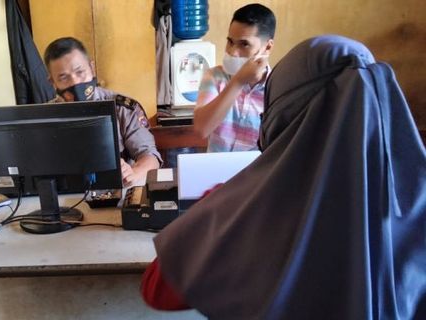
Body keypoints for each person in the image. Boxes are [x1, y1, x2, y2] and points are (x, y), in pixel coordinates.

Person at [141, 35, 426, 319]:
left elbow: (158, 288)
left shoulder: (251, 211)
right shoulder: (415, 204)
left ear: (282, 110)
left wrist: (219, 203)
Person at [44, 37, 161, 187]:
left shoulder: (123, 108)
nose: (75, 82)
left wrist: (133, 172)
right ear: (52, 83)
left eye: (80, 72)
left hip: (116, 193)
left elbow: (151, 158)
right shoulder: (45, 117)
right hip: (63, 199)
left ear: (92, 68)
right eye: (64, 78)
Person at [193, 3, 275, 152]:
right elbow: (201, 130)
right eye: (230, 41)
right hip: (217, 173)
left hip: (257, 173)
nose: (233, 52)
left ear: (267, 47)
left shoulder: (278, 85)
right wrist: (238, 82)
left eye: (244, 44)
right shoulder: (214, 76)